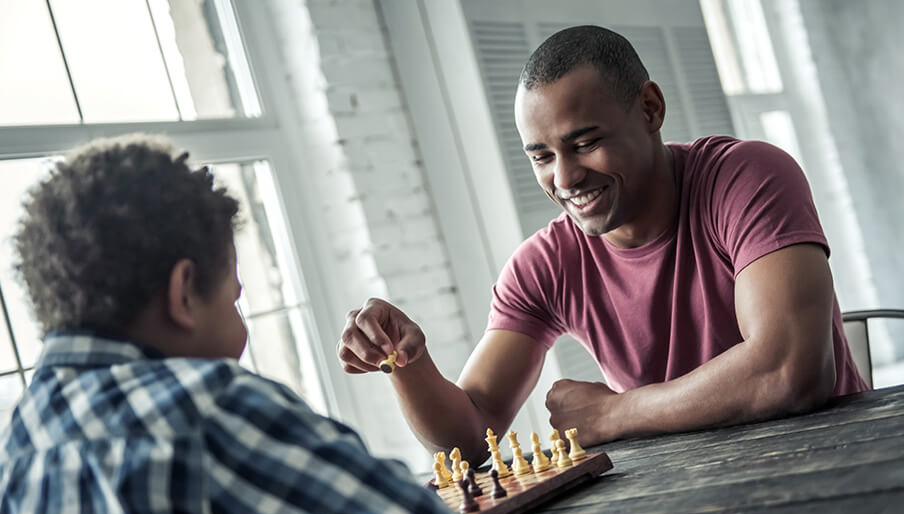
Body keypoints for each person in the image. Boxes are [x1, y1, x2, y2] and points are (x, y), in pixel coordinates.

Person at [337, 25, 868, 466]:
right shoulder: (544, 265)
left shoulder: (746, 176)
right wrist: (406, 361)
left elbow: (790, 372)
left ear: (650, 109)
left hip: (834, 467)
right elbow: (471, 439)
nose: (564, 178)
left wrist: (614, 414)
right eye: (541, 155)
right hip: (689, 497)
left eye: (584, 143)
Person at [0, 135, 480, 514]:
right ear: (183, 293)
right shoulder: (205, 406)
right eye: (234, 299)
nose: (242, 328)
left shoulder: (19, 445)